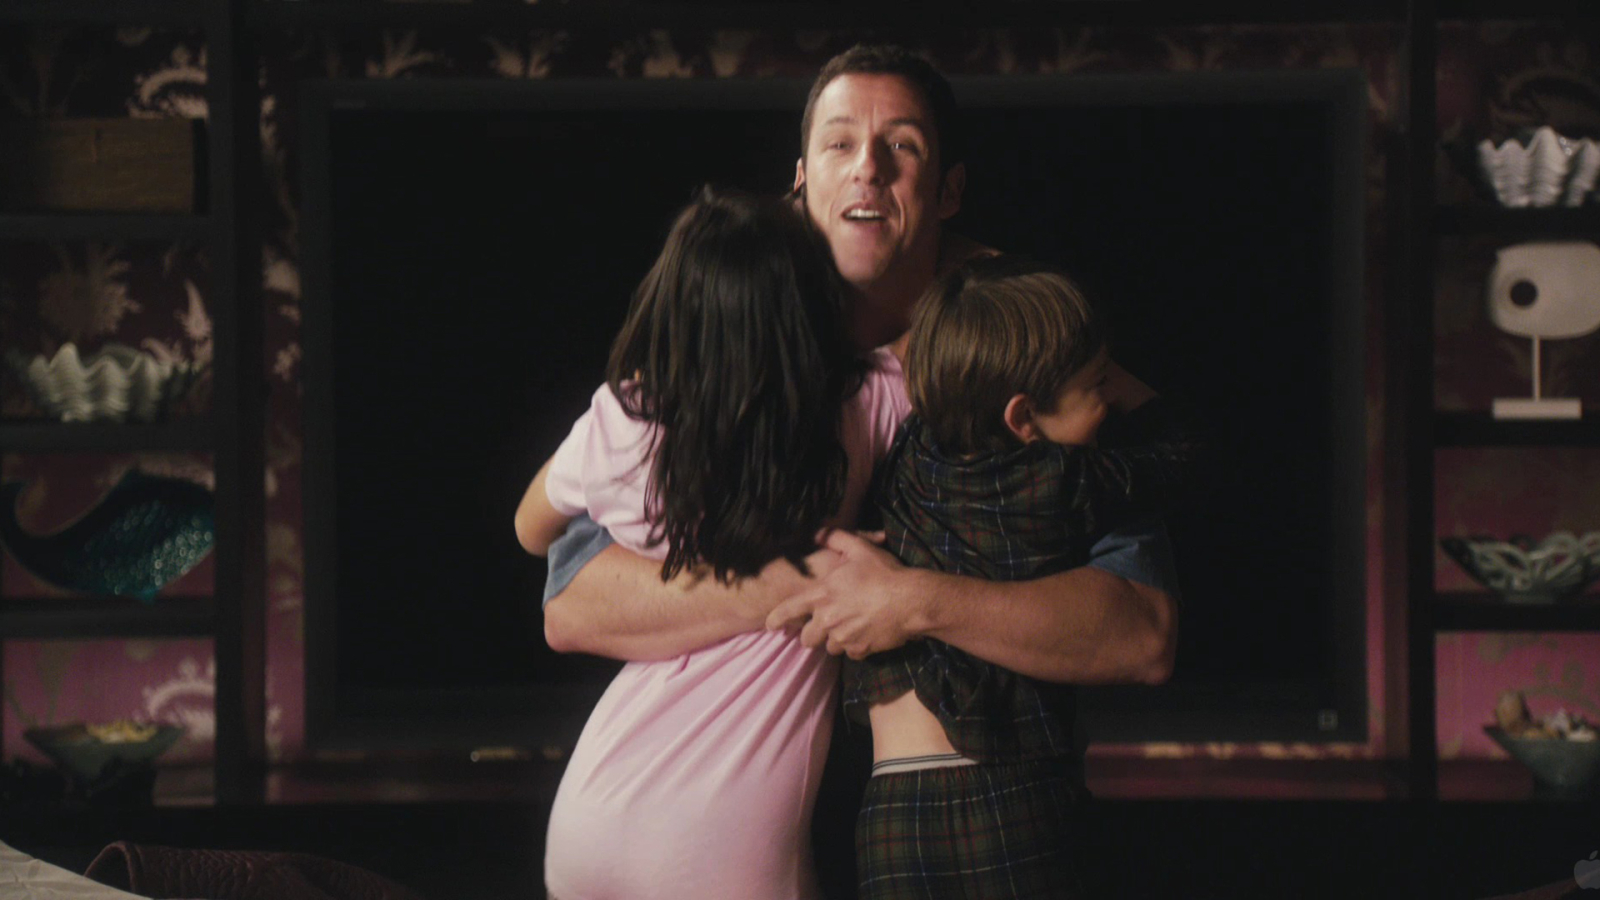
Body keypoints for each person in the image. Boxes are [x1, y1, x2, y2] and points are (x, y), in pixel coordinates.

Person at [541, 43, 1179, 895]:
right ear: (801, 181)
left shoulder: (1021, 368)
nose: (868, 169)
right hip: (710, 831)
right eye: (840, 143)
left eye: (902, 146)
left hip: (970, 839)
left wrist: (915, 600)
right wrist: (800, 581)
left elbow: (1142, 633)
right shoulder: (720, 355)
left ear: (948, 190)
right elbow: (574, 602)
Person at [514, 188, 911, 900]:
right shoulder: (867, 404)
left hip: (594, 809)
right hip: (725, 843)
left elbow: (529, 528)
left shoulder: (628, 420)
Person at [844, 254, 1205, 899]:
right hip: (1014, 796)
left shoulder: (903, 455)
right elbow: (1176, 457)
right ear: (1023, 418)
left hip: (892, 812)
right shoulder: (1063, 481)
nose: (1108, 401)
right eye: (1097, 385)